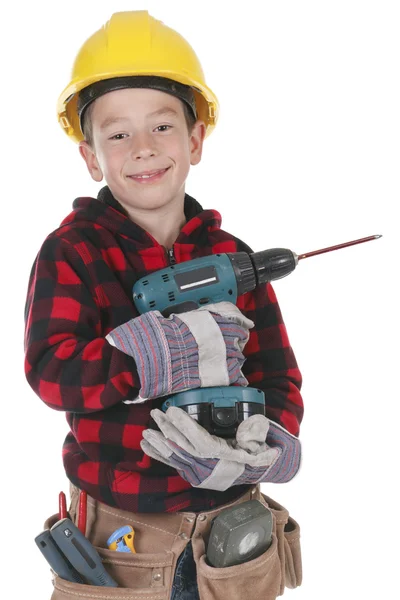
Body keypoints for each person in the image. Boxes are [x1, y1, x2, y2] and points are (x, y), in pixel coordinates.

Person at [24, 11, 304, 600]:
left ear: (196, 138)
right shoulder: (72, 253)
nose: (144, 148)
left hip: (236, 532)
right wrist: (146, 359)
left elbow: (278, 373)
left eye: (162, 127)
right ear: (92, 157)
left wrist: (268, 442)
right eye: (118, 134)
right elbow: (51, 372)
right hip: (124, 540)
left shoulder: (234, 257)